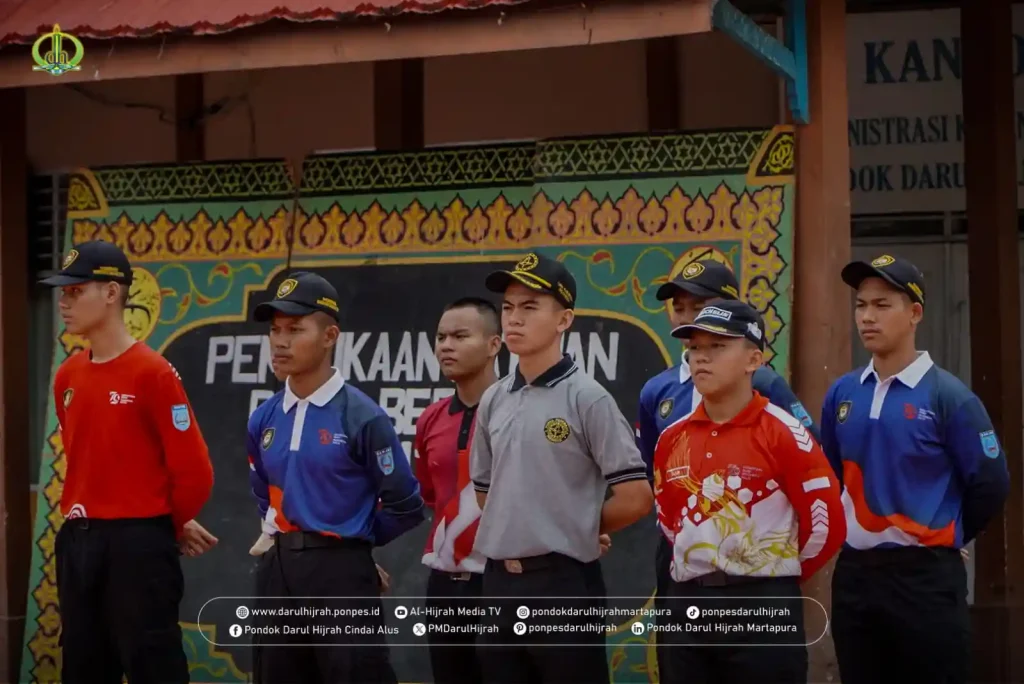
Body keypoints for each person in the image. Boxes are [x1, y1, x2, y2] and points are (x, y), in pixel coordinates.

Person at [822, 255, 1010, 684]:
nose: (867, 317)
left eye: (882, 305)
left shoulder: (949, 396)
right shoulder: (843, 393)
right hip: (855, 576)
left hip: (925, 579)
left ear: (915, 314)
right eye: (860, 304)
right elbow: (830, 474)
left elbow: (992, 482)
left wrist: (950, 531)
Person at [470, 252, 654, 684]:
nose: (513, 319)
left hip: (562, 584)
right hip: (498, 583)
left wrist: (575, 526)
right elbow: (484, 492)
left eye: (530, 307)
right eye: (508, 307)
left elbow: (636, 497)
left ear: (564, 319)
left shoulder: (588, 398)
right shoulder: (493, 399)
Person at [42, 240, 217, 684]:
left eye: (76, 290)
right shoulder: (68, 375)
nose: (64, 301)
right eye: (63, 291)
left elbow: (195, 471)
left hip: (137, 550)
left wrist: (162, 523)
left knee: (150, 664)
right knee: (83, 665)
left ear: (111, 293)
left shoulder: (152, 372)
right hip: (79, 542)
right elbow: (92, 460)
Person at [636, 257, 819, 673]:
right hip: (682, 559)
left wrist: (773, 560)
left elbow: (810, 473)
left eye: (700, 306)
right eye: (680, 308)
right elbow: (656, 474)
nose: (688, 317)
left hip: (754, 567)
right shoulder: (657, 390)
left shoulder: (765, 383)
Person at [246, 271, 426, 684]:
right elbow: (263, 492)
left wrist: (351, 544)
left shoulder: (362, 416)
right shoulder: (264, 417)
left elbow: (405, 504)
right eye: (274, 330)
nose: (280, 341)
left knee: (354, 674)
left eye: (295, 329)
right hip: (278, 570)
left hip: (341, 577)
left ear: (330, 336)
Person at [413, 297, 503, 684]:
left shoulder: (519, 411)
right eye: (440, 337)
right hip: (445, 584)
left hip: (504, 582)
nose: (445, 345)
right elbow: (431, 495)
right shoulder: (430, 418)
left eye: (460, 336)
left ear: (494, 345)